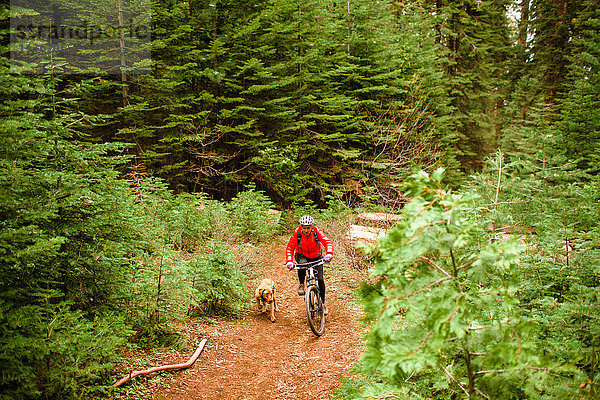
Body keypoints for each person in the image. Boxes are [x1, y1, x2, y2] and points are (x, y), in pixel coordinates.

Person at [285, 215, 333, 315]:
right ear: (300, 227)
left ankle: (323, 304)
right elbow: (290, 247)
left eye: (308, 228)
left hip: (316, 256)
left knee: (320, 279)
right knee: (302, 265)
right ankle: (301, 284)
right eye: (304, 228)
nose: (306, 230)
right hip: (302, 255)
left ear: (312, 227)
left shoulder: (317, 232)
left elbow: (327, 242)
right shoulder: (297, 233)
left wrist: (329, 253)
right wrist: (289, 260)